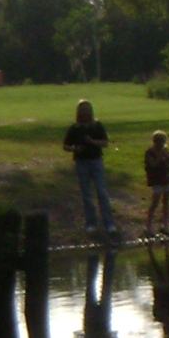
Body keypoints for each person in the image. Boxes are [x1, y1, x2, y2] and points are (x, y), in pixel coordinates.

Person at [64, 99, 116, 237]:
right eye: (82, 110)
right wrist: (75, 149)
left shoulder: (97, 126)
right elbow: (66, 145)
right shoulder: (75, 128)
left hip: (96, 160)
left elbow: (105, 143)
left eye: (87, 110)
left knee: (101, 192)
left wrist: (92, 142)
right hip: (81, 161)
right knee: (87, 194)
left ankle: (109, 223)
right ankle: (91, 223)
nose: (85, 113)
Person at [142, 130, 169, 239]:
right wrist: (160, 156)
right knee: (155, 202)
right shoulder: (149, 152)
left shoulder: (166, 151)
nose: (161, 144)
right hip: (156, 179)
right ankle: (148, 227)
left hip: (166, 179)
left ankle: (165, 226)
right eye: (159, 141)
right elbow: (152, 165)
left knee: (166, 202)